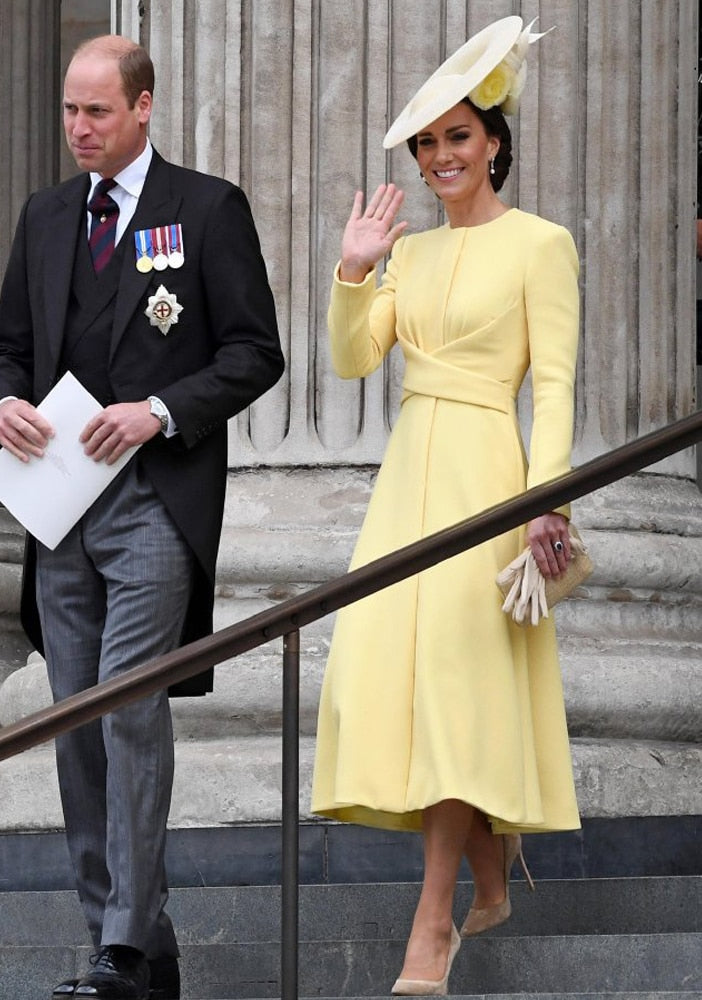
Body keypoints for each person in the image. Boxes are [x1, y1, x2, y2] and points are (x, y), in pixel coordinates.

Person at [0, 35, 284, 1000]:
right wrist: (2, 403)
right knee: (74, 723)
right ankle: (137, 944)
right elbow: (6, 350)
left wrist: (157, 411)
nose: (77, 128)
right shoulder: (43, 216)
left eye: (97, 112)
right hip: (56, 510)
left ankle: (118, 949)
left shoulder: (207, 208)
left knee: (127, 711)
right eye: (70, 111)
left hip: (155, 501)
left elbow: (253, 351)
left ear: (144, 108)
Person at [311, 16, 580, 995]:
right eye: (427, 143)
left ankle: (433, 927)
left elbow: (553, 385)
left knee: (460, 693)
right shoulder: (412, 257)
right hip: (408, 478)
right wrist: (354, 268)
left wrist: (547, 503)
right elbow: (351, 360)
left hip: (489, 481)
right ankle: (490, 852)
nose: (439, 158)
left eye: (457, 137)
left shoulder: (541, 245)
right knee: (388, 675)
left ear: (495, 141)